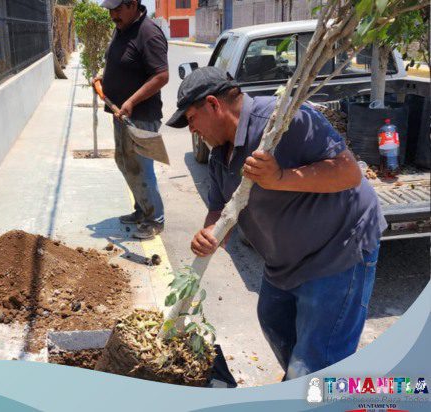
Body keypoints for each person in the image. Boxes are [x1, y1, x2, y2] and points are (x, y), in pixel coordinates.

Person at [166, 67, 387, 380]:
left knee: (316, 363)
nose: (192, 130)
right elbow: (220, 208)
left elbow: (348, 173)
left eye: (191, 119)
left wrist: (280, 177)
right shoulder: (220, 155)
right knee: (272, 318)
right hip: (284, 261)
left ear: (214, 105)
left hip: (338, 249)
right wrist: (210, 233)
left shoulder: (281, 122)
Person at [99, 0, 169, 239]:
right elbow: (119, 62)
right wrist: (101, 76)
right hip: (121, 115)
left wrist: (131, 102)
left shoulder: (148, 33)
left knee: (140, 167)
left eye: (117, 9)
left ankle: (154, 219)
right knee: (125, 163)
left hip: (140, 116)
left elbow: (161, 76)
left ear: (133, 5)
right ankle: (141, 210)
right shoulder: (122, 30)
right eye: (110, 10)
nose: (113, 15)